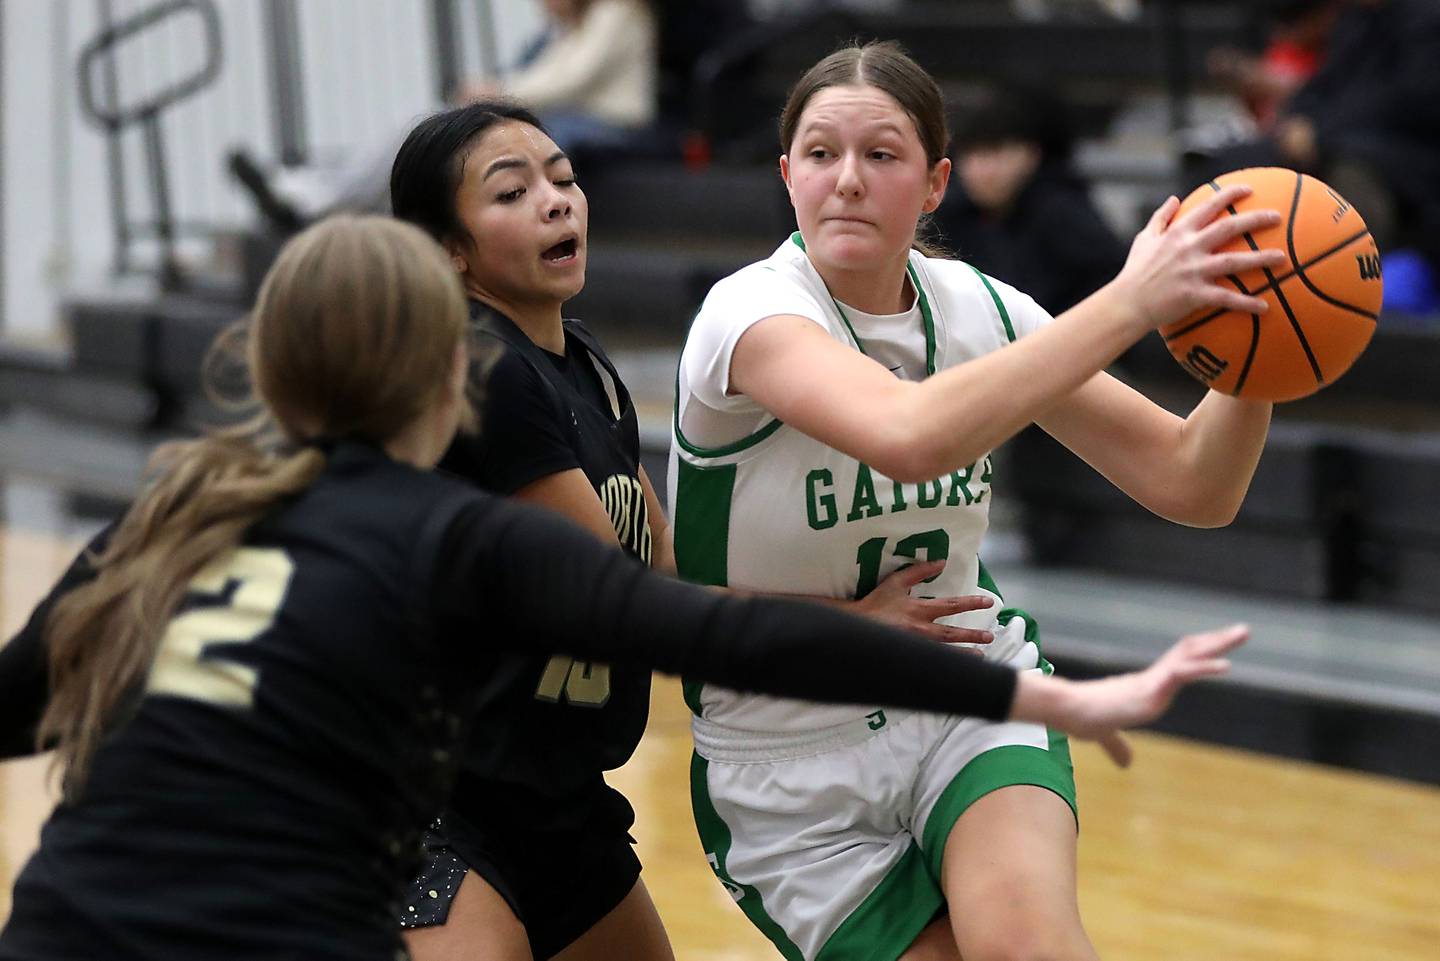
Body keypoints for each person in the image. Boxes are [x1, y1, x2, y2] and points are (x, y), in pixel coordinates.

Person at [0, 215, 1247, 959]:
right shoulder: (459, 538)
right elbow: (724, 635)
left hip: (64, 924)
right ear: (450, 372)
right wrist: (1051, 702)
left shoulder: (171, 516)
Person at [669, 41, 1284, 961]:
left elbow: (1193, 482)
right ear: (787, 174)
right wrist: (1131, 299)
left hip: (965, 693)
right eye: (823, 154)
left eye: (882, 155)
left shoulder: (982, 311)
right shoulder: (747, 313)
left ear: (933, 184)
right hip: (788, 758)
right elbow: (910, 435)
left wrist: (1262, 352)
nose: (847, 180)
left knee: (1030, 946)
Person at [386, 99, 991, 961]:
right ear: (446, 248)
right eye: (511, 193)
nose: (557, 201)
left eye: (564, 178)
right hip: (433, 797)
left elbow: (668, 561)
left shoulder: (585, 365)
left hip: (555, 790)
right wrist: (852, 629)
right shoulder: (482, 368)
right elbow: (628, 605)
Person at [933, 84, 1126, 315]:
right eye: (971, 155)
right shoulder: (947, 216)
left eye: (996, 153)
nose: (982, 171)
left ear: (1031, 155)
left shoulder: (1062, 215)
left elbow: (1114, 281)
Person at [455, 0, 657, 158]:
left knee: (541, 138)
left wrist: (499, 92)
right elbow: (544, 72)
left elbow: (573, 78)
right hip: (578, 115)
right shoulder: (573, 23)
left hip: (613, 121)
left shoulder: (616, 11)